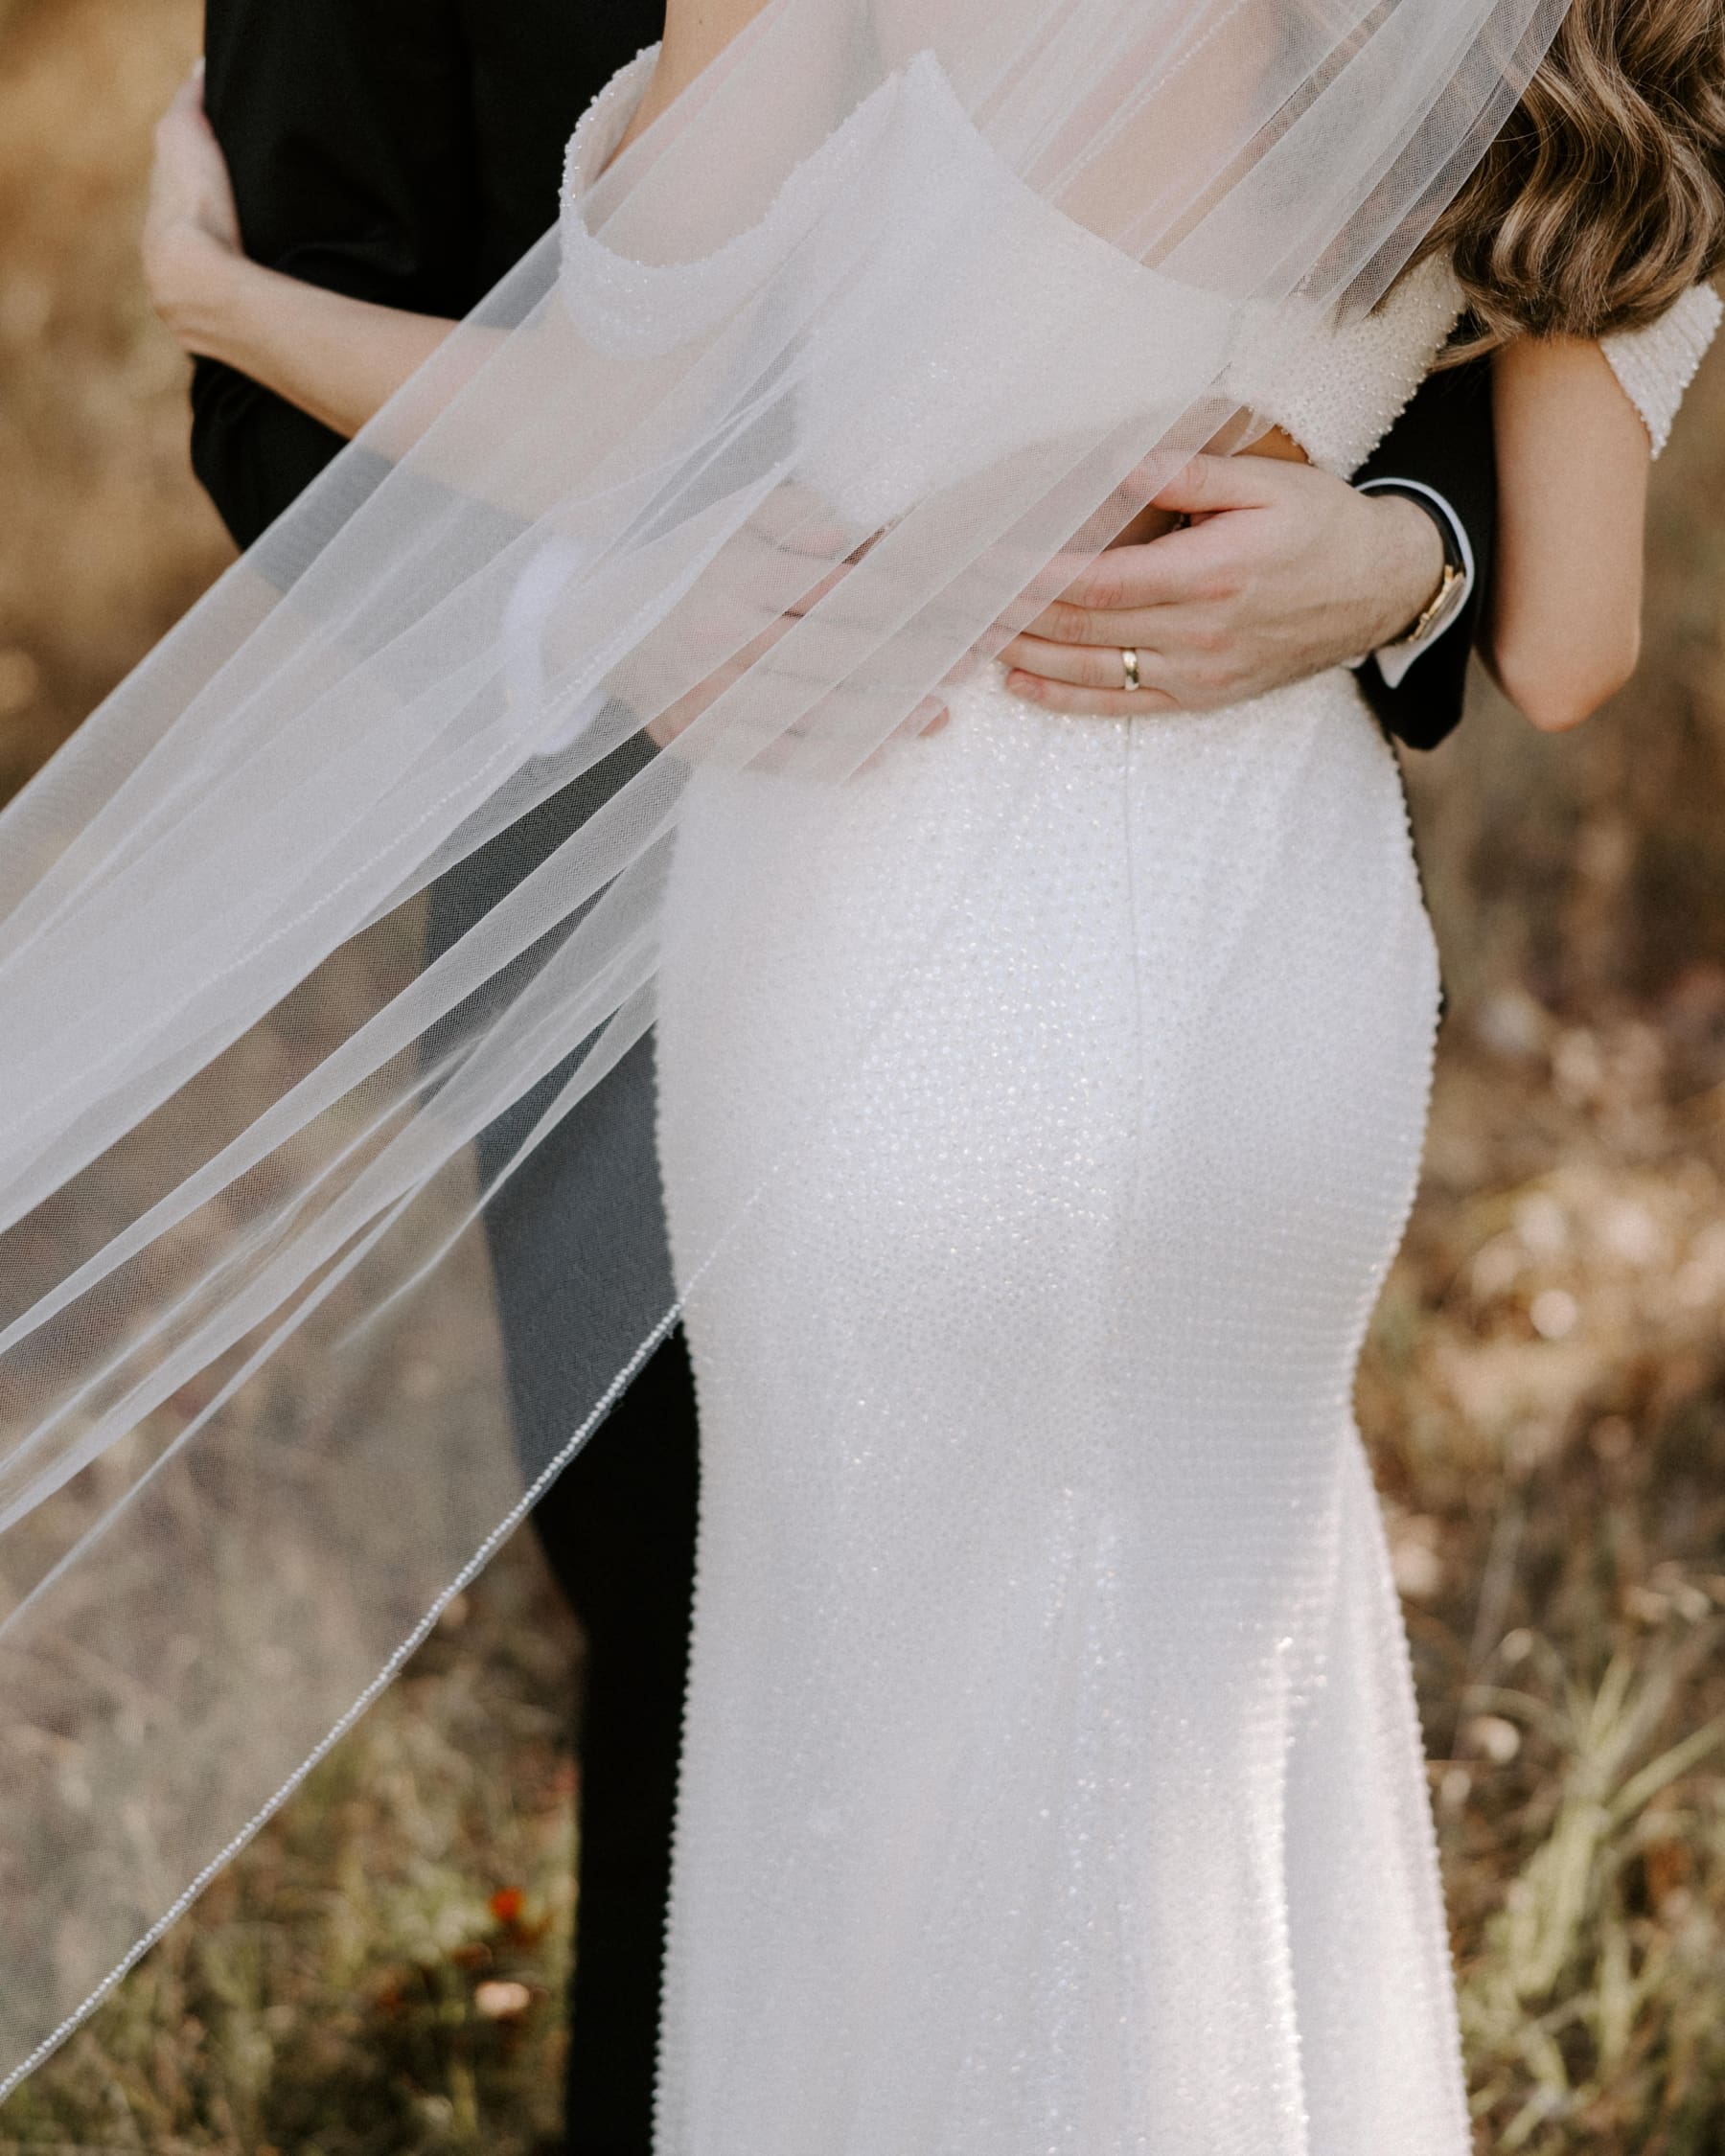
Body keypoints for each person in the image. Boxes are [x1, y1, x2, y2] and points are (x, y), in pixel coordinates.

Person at [2, 0, 1720, 2145]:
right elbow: (1571, 644)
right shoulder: (1605, 48)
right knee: (1211, 1674)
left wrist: (228, 300)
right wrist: (1402, 542)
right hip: (1269, 965)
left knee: (862, 1735)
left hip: (880, 906)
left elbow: (610, 422)